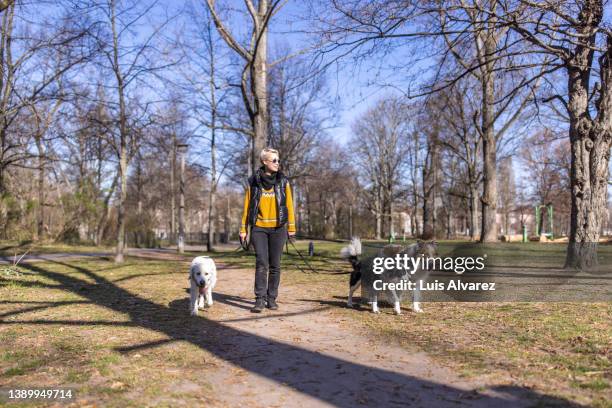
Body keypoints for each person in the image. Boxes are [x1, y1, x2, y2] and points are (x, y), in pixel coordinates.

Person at [240, 148, 296, 313]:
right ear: (265, 162)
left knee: (275, 265)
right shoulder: (253, 182)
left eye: (278, 160)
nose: (277, 163)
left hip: (278, 229)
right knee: (261, 263)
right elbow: (247, 207)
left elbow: (290, 207)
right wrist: (243, 228)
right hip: (259, 228)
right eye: (274, 160)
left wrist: (291, 228)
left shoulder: (284, 182)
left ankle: (271, 299)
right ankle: (259, 299)